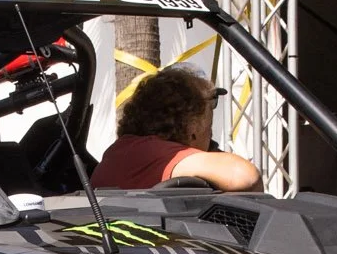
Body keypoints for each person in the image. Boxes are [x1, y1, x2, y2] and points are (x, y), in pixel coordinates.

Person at [90, 67, 262, 192]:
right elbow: (245, 175)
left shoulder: (124, 151)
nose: (210, 133)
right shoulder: (150, 153)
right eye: (211, 105)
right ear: (192, 125)